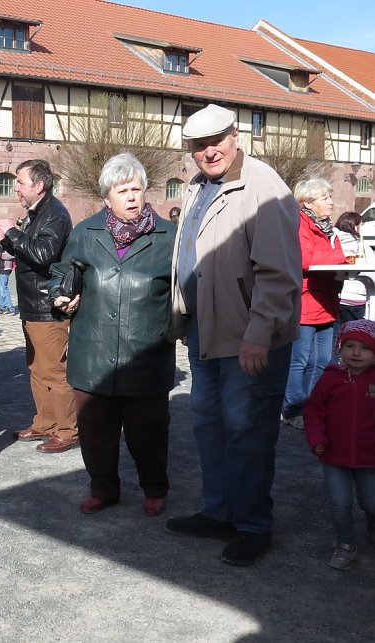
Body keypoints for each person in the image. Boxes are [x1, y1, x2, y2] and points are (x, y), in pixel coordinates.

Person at [166, 104, 302, 566]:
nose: (208, 151)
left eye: (215, 141)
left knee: (248, 431)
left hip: (249, 333)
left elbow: (279, 273)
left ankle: (252, 526)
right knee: (210, 425)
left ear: (235, 136)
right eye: (198, 145)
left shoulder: (264, 187)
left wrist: (258, 333)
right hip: (207, 329)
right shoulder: (200, 185)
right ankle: (220, 510)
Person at [50, 153, 175, 517]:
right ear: (107, 197)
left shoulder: (169, 237)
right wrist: (61, 295)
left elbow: (187, 290)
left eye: (136, 189)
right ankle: (102, 488)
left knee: (148, 433)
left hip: (146, 352)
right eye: (122, 190)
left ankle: (154, 487)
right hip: (93, 352)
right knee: (96, 433)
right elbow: (62, 272)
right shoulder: (85, 233)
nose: (132, 197)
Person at [0, 159, 77, 453]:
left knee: (54, 372)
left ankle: (67, 430)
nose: (16, 188)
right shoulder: (39, 212)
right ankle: (45, 423)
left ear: (39, 185)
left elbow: (45, 255)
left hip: (47, 307)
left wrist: (13, 232)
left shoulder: (54, 213)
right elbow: (31, 252)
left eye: (21, 182)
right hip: (33, 305)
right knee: (37, 368)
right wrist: (6, 240)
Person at [304, 319, 375, 571]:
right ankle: (345, 543)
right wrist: (317, 438)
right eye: (350, 346)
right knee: (340, 503)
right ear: (340, 348)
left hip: (370, 459)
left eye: (365, 348)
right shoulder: (330, 378)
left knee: (371, 502)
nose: (356, 353)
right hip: (334, 455)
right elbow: (313, 411)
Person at [280, 177, 345, 429]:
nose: (331, 202)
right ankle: (293, 409)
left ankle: (313, 406)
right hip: (306, 303)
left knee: (324, 361)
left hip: (327, 302)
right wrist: (340, 256)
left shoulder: (328, 228)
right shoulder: (300, 223)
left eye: (330, 196)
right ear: (307, 202)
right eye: (325, 197)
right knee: (300, 361)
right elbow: (306, 258)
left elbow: (331, 258)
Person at [333, 211, 373, 325]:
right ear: (354, 226)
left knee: (336, 337)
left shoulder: (333, 242)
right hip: (356, 297)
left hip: (336, 296)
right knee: (353, 335)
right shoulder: (361, 246)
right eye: (361, 225)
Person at [0, 241, 17, 314]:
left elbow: (13, 254)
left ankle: (10, 308)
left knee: (3, 288)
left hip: (4, 268)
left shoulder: (7, 241)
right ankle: (1, 306)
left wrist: (1, 255)